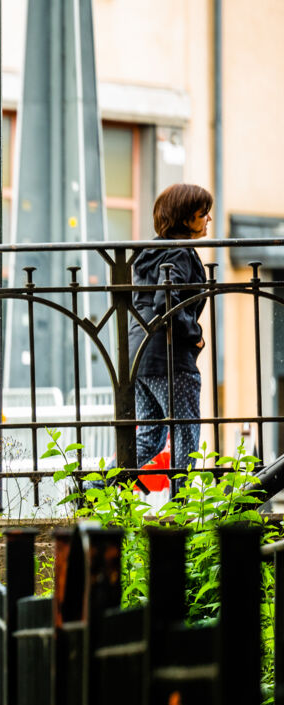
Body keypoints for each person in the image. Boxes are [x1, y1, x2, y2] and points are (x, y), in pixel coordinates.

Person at [127, 183, 214, 482]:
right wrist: (195, 335)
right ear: (185, 217)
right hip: (170, 358)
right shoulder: (179, 253)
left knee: (149, 437)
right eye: (203, 214)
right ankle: (183, 511)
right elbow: (167, 301)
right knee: (185, 433)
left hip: (141, 356)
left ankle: (95, 485)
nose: (208, 220)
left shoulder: (148, 252)